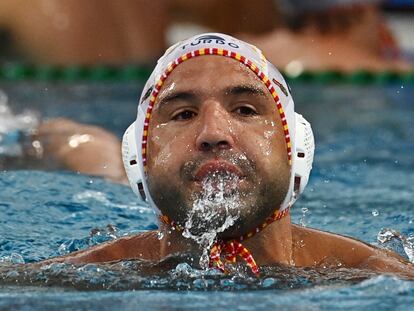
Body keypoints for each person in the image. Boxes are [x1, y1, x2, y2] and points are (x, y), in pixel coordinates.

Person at [37, 33, 412, 277]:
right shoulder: (80, 275)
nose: (214, 133)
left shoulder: (376, 274)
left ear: (296, 147)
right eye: (183, 114)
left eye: (246, 110)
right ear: (139, 158)